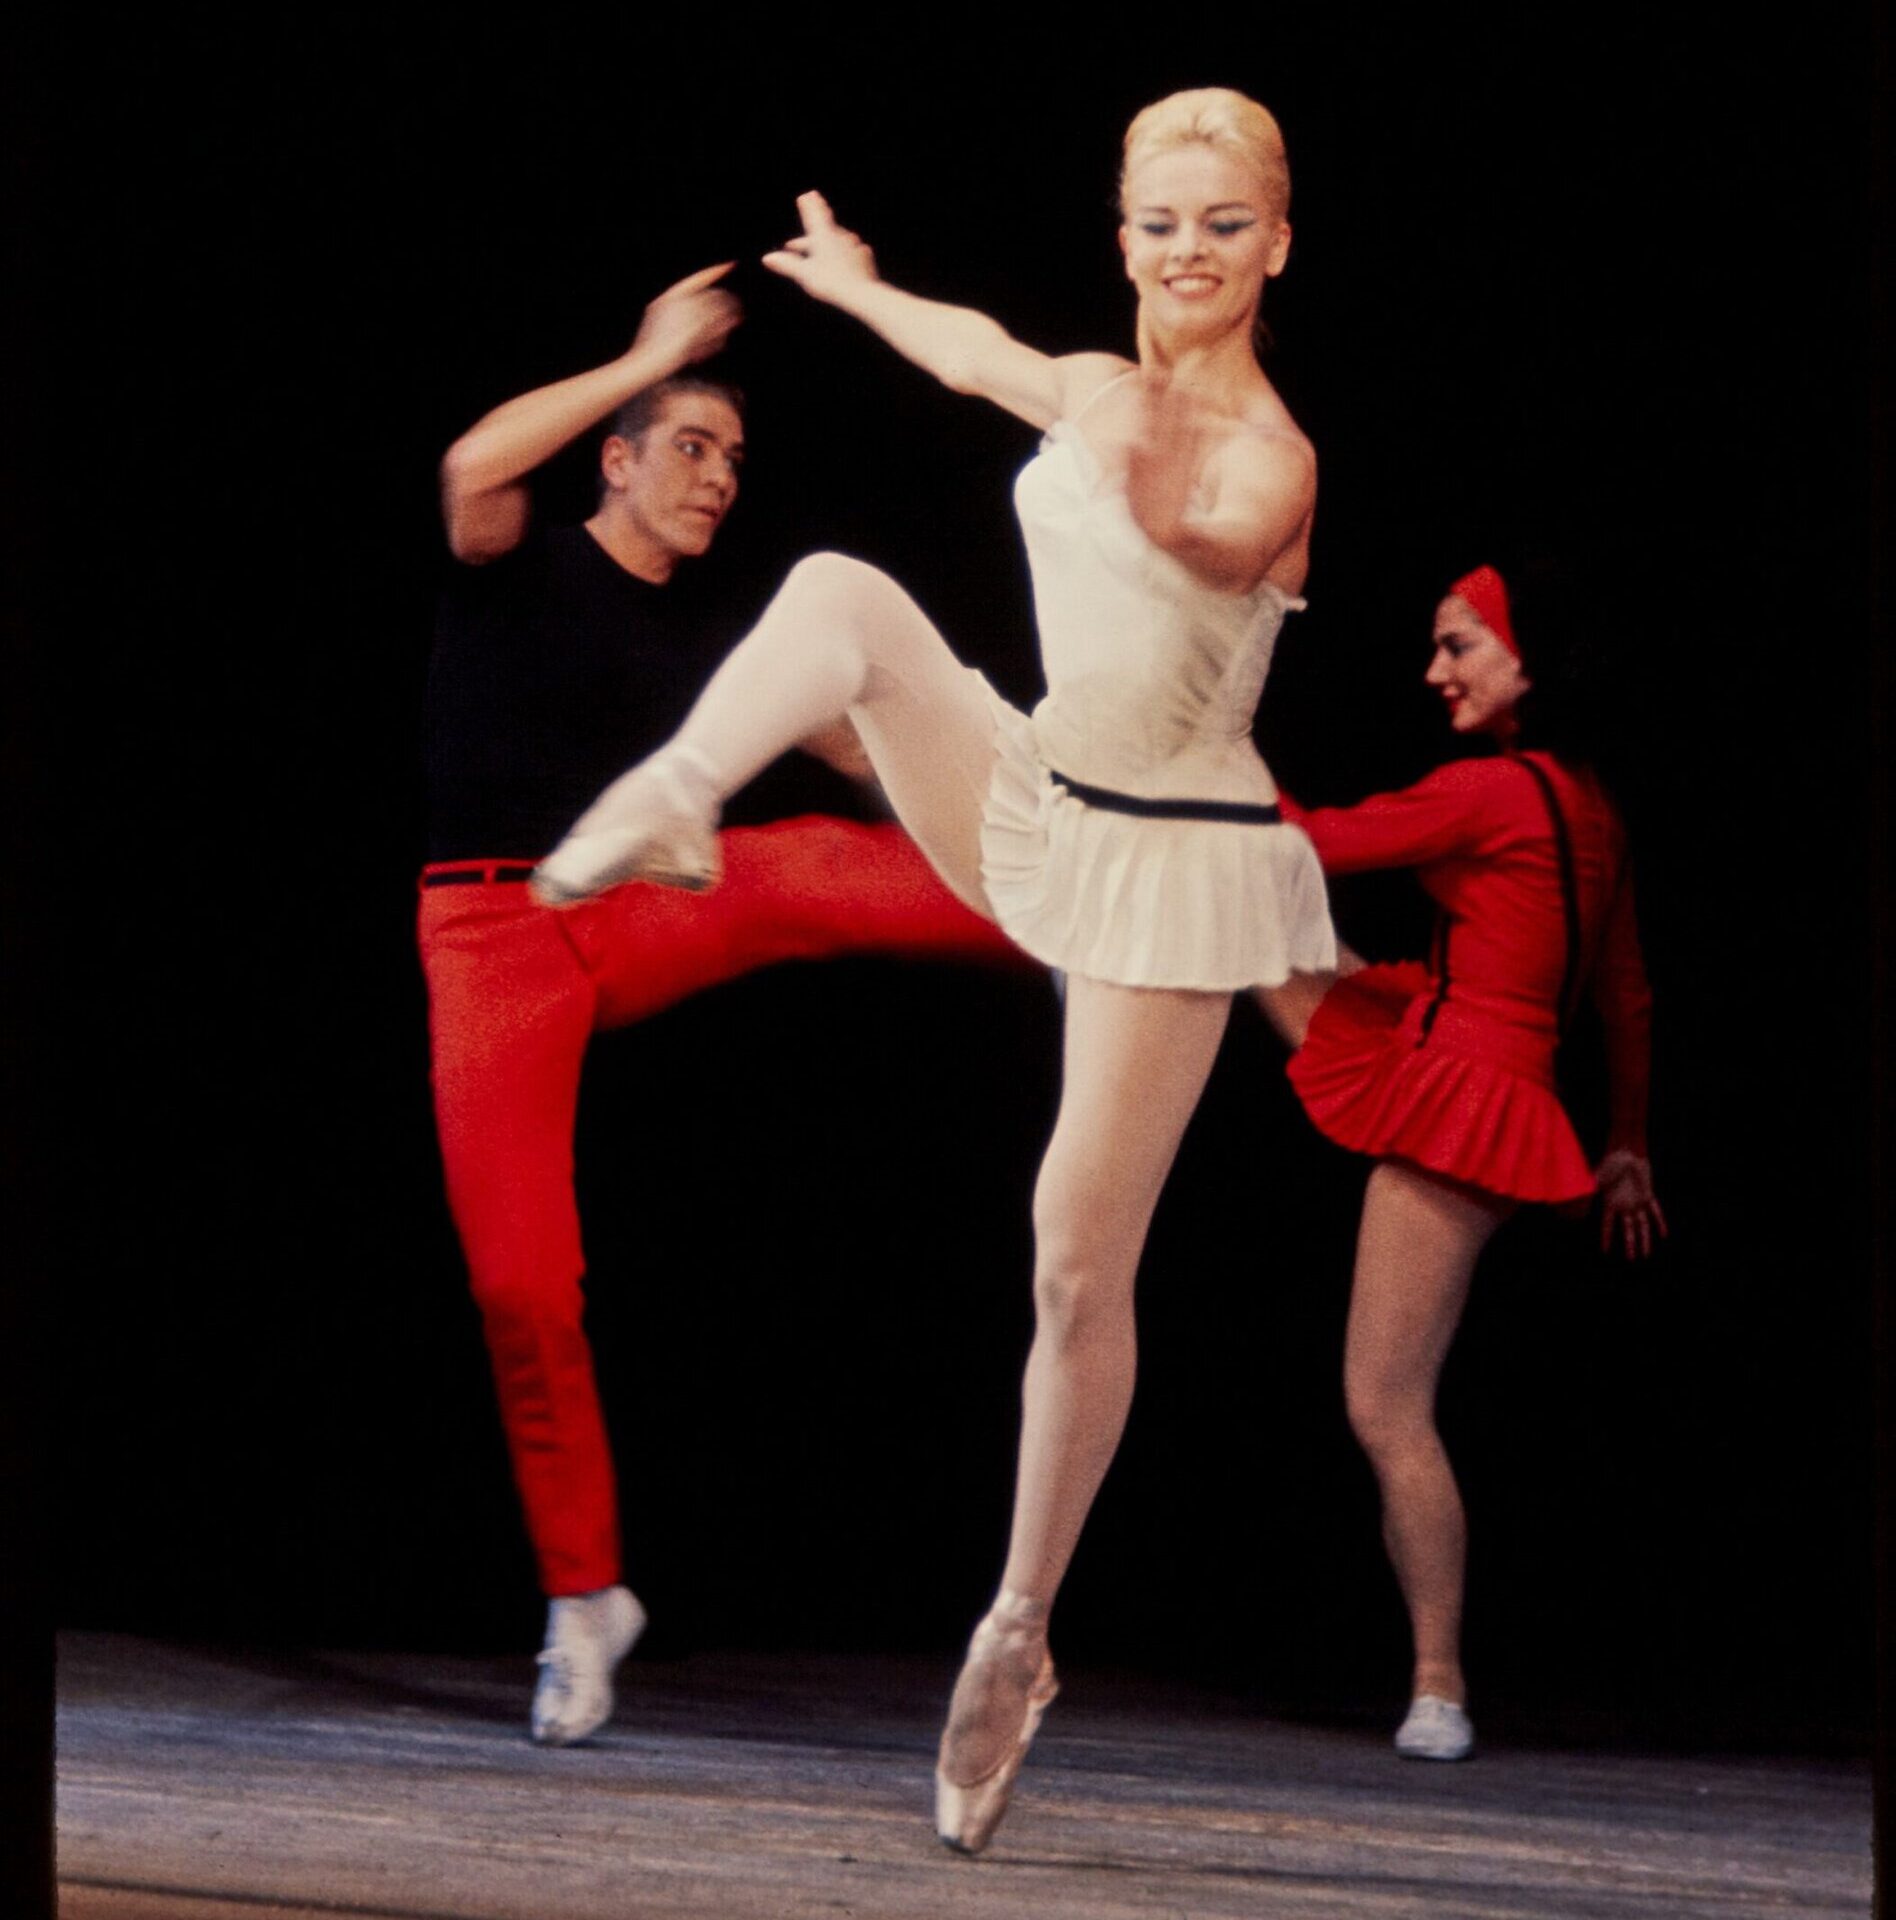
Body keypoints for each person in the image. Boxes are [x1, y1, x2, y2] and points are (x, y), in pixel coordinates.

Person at [532, 89, 1336, 1851]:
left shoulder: (1271, 453)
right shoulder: (1095, 384)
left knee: (1072, 1263)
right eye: (1159, 222)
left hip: (1169, 861)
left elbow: (1219, 537)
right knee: (838, 591)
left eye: (1222, 224)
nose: (1186, 253)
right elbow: (977, 354)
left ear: (1276, 242)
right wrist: (855, 287)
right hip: (1045, 795)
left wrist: (1159, 503)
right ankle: (679, 792)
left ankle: (1017, 1633)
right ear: (1122, 234)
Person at [421, 265, 1027, 1748]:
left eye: (734, 460)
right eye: (691, 448)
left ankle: (1100, 919)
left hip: (635, 905)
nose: (718, 479)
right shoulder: (516, 561)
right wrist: (648, 354)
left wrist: (1004, 785)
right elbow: (472, 468)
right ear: (616, 461)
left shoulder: (720, 642)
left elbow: (868, 759)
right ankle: (586, 1601)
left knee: (809, 867)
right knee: (521, 1285)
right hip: (492, 937)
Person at [1264, 561, 1664, 1762]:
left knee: (1385, 1405)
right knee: (1254, 947)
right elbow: (1626, 998)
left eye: (1460, 646)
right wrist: (1627, 1144)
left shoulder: (1492, 792)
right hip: (1474, 1060)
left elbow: (1313, 843)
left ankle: (1439, 1684)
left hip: (1464, 1098)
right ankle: (1109, 957)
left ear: (1526, 663)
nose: (1437, 671)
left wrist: (1213, 763)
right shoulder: (1594, 809)